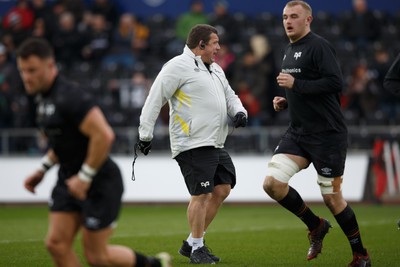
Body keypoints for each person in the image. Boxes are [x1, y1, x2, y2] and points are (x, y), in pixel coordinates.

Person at [16, 37, 171, 267]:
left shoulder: (71, 97)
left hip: (99, 182)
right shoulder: (39, 98)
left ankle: (154, 264)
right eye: (22, 71)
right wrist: (42, 169)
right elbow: (64, 143)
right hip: (69, 179)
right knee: (56, 244)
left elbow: (104, 135)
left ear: (50, 66)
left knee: (97, 257)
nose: (26, 77)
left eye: (32, 70)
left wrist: (85, 177)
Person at [262, 2, 371, 267]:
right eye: (285, 17)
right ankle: (316, 225)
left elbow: (335, 84)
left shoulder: (319, 46)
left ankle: (361, 255)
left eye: (294, 16)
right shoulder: (288, 50)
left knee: (332, 199)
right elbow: (303, 91)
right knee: (272, 184)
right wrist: (286, 100)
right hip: (298, 133)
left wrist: (295, 84)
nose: (288, 21)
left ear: (308, 19)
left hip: (327, 135)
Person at [137, 24, 247, 264]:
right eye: (215, 42)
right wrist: (145, 135)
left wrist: (239, 111)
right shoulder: (176, 66)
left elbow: (230, 95)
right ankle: (197, 248)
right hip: (192, 142)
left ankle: (190, 243)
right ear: (201, 45)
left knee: (222, 188)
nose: (219, 47)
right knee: (202, 194)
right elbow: (155, 99)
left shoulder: (216, 69)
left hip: (215, 142)